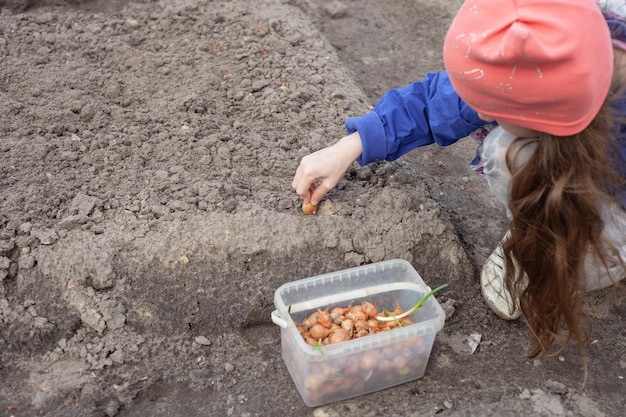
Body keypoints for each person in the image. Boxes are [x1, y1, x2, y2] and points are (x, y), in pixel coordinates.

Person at [292, 0, 626, 363]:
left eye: (492, 109)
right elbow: (440, 102)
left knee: (593, 252)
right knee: (506, 153)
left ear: (543, 115)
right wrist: (351, 145)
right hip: (566, 143)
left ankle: (573, 242)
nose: (479, 114)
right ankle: (533, 236)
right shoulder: (539, 58)